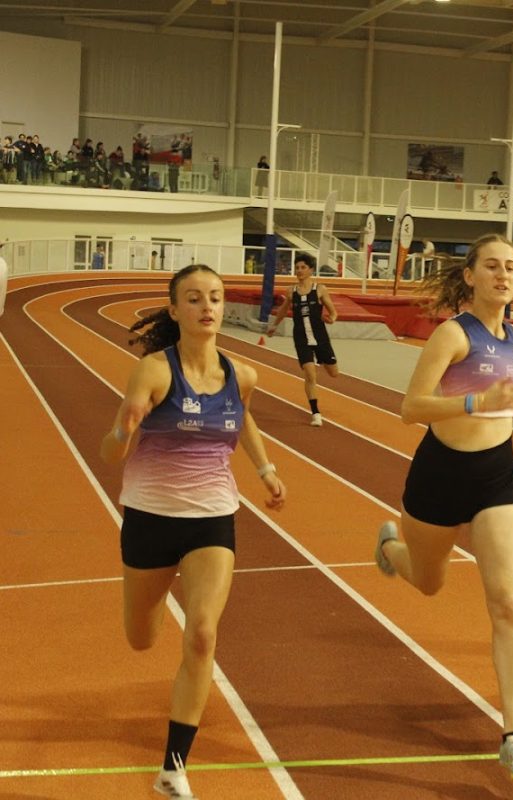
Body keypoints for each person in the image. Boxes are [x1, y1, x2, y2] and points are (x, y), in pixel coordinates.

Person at [99, 264, 287, 800]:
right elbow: (112, 451)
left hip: (211, 516)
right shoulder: (155, 372)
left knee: (203, 633)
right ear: (176, 308)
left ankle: (173, 769)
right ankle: (151, 601)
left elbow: (242, 416)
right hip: (150, 519)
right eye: (195, 298)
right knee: (142, 638)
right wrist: (123, 428)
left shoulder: (241, 374)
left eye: (216, 297)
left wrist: (266, 469)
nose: (208, 306)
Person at [374, 233, 513, 781]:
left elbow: (508, 397)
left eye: (512, 267)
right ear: (470, 276)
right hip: (440, 475)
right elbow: (410, 408)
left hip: (495, 478)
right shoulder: (452, 334)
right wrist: (477, 402)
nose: (504, 274)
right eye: (492, 266)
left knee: (508, 603)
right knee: (429, 582)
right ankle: (393, 550)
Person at [266, 253, 339, 426]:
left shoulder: (320, 289)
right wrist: (274, 325)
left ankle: (320, 360)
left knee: (334, 373)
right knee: (310, 375)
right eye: (297, 267)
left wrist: (332, 318)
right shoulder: (291, 291)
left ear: (310, 270)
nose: (299, 271)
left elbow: (333, 312)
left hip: (320, 337)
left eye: (303, 267)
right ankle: (316, 413)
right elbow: (284, 310)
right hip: (301, 337)